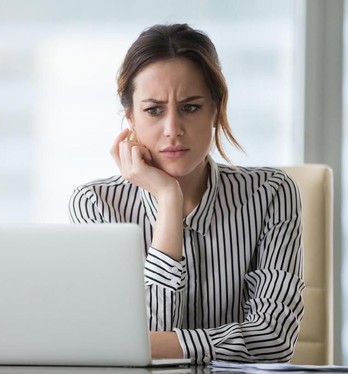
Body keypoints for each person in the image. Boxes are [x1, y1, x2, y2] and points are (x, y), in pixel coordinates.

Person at [69, 23, 304, 364]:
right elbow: (142, 344)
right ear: (130, 118)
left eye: (190, 107)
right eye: (154, 110)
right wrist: (168, 200)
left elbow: (273, 340)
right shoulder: (97, 205)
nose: (173, 130)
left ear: (215, 109)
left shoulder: (271, 194)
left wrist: (151, 345)